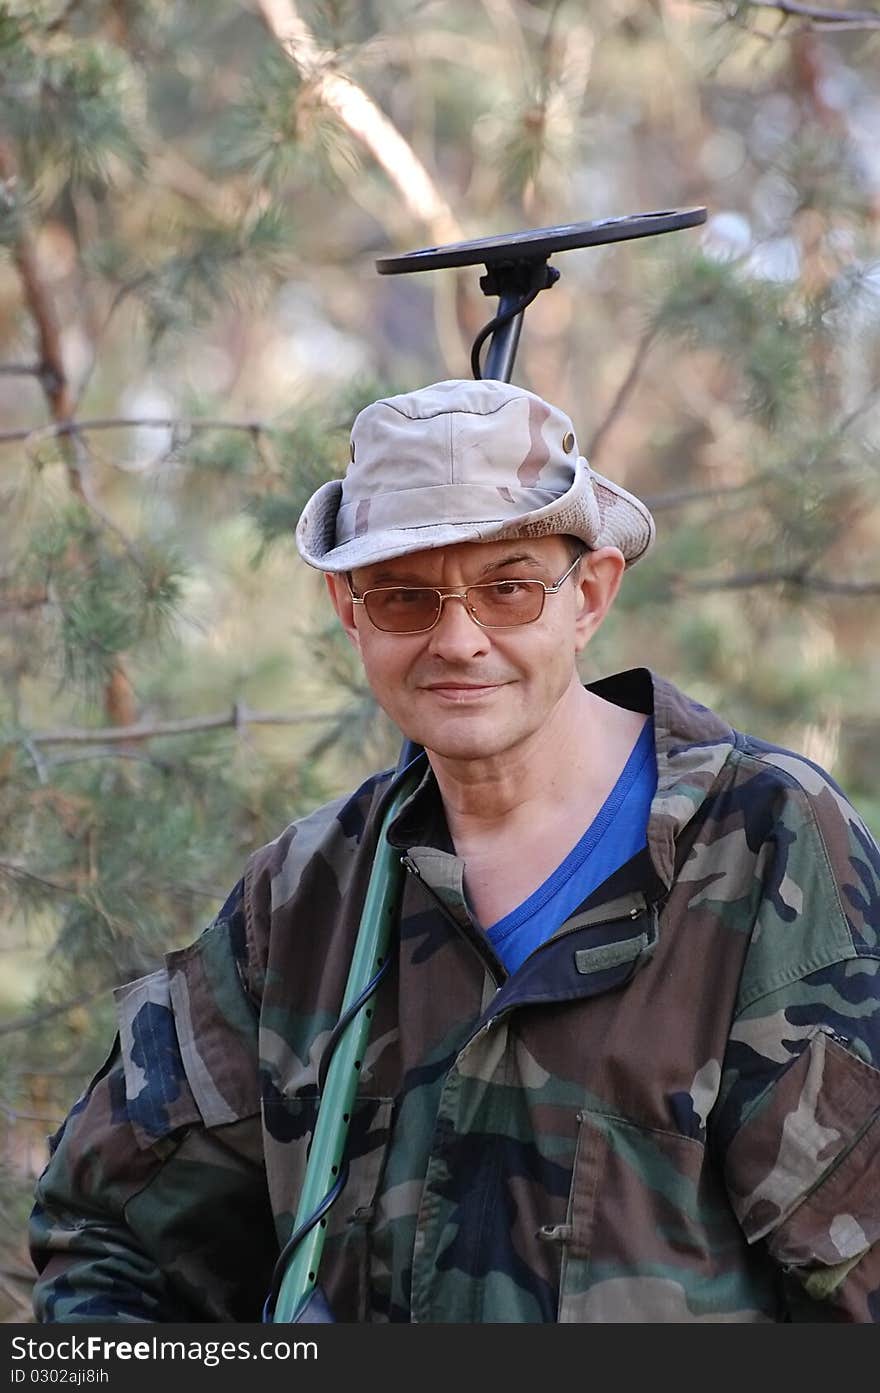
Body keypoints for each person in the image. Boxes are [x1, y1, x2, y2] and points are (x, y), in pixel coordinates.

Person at [30, 378, 880, 1324]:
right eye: (403, 598)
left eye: (508, 587)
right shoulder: (304, 898)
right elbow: (106, 1240)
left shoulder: (764, 845)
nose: (458, 640)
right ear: (348, 610)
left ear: (588, 594)